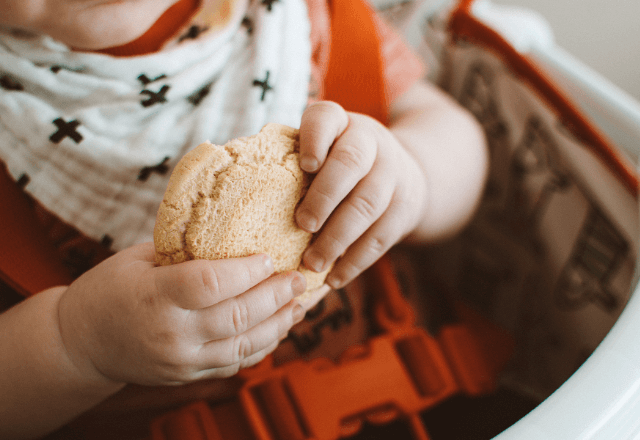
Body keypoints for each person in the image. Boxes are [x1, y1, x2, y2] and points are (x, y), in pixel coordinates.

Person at [0, 0, 487, 437]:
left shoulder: (305, 18)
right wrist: (78, 344)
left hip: (426, 390)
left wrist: (413, 175)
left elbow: (455, 135)